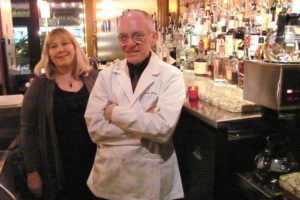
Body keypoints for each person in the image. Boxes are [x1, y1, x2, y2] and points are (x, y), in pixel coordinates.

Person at [85, 9, 186, 200]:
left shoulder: (172, 76)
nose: (130, 43)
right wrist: (146, 125)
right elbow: (95, 129)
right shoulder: (106, 76)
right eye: (123, 37)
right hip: (110, 180)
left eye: (138, 36)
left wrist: (114, 113)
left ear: (153, 38)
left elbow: (163, 129)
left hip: (150, 182)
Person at [20, 28, 98, 200]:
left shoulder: (94, 77)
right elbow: (28, 130)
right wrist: (32, 171)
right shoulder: (40, 85)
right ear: (48, 53)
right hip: (56, 166)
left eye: (65, 43)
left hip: (96, 165)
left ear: (75, 47)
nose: (60, 49)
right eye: (53, 46)